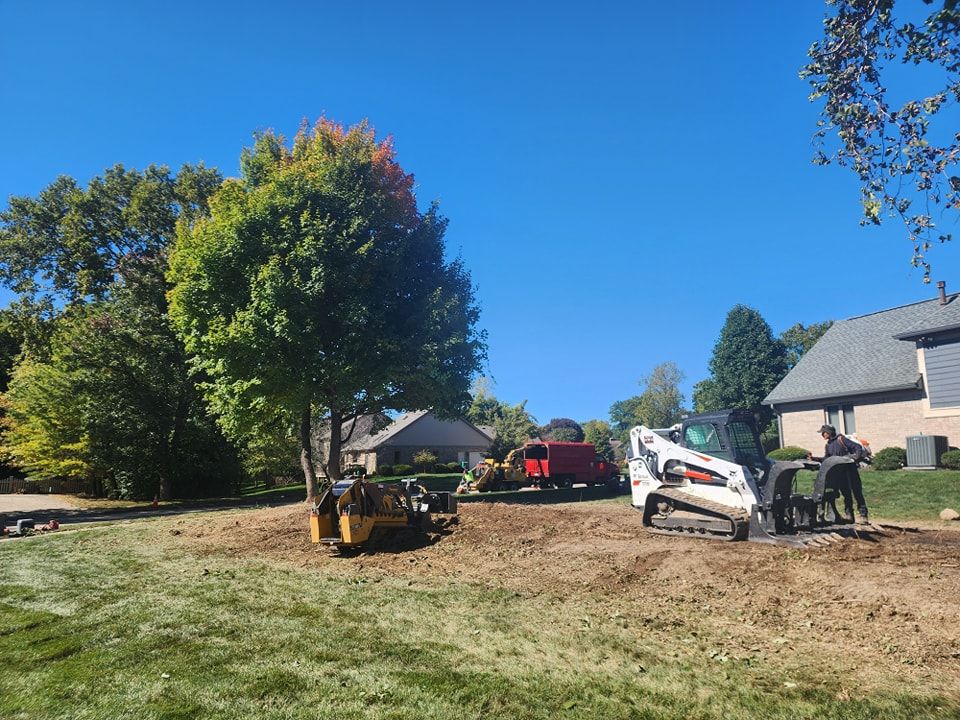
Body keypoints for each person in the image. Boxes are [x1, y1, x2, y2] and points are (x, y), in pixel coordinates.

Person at [808, 424, 869, 523]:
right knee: (846, 494)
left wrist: (855, 458)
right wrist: (814, 458)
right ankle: (849, 515)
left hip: (850, 470)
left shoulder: (842, 439)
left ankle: (863, 515)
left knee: (857, 492)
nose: (822, 435)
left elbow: (857, 447)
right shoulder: (828, 445)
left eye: (823, 433)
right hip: (840, 473)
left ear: (828, 432)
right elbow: (827, 458)